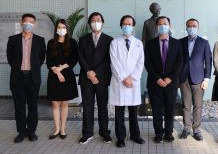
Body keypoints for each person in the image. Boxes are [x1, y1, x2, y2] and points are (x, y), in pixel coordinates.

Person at [6, 13, 46, 143]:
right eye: (26, 21)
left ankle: (32, 131)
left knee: (33, 106)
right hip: (17, 78)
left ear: (34, 24)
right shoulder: (13, 39)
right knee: (19, 106)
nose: (28, 23)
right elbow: (10, 59)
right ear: (21, 22)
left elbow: (40, 59)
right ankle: (21, 132)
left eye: (31, 22)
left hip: (33, 78)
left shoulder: (40, 40)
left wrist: (31, 69)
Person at [145, 16, 183, 143]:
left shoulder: (177, 43)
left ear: (170, 25)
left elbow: (180, 62)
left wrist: (170, 78)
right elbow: (147, 63)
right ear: (156, 26)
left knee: (169, 109)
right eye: (160, 24)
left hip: (171, 83)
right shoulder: (150, 44)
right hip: (154, 82)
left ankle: (168, 133)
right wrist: (157, 78)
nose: (162, 26)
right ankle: (158, 133)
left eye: (165, 23)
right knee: (156, 110)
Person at [109, 15, 145, 148]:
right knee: (119, 113)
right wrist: (124, 78)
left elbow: (140, 63)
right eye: (125, 24)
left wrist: (133, 78)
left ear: (133, 26)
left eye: (129, 24)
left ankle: (135, 135)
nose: (127, 26)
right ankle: (120, 138)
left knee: (133, 112)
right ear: (121, 26)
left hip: (133, 83)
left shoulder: (138, 43)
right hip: (120, 82)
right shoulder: (115, 42)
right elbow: (114, 62)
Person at [78, 12, 113, 144]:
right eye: (93, 20)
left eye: (98, 20)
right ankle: (87, 133)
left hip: (102, 78)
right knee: (87, 105)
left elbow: (108, 60)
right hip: (86, 77)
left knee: (103, 105)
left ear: (102, 23)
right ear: (89, 23)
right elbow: (80, 57)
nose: (96, 22)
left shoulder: (109, 40)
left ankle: (104, 132)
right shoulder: (83, 39)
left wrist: (95, 73)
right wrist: (89, 72)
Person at [179, 18, 212, 141]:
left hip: (199, 79)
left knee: (198, 106)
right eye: (189, 26)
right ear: (186, 27)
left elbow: (208, 62)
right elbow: (177, 61)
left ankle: (196, 130)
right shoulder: (180, 42)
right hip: (184, 78)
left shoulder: (204, 42)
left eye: (194, 26)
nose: (191, 28)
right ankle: (186, 128)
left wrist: (207, 79)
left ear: (198, 27)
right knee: (186, 105)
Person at [46, 19, 78, 140]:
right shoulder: (51, 43)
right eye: (59, 27)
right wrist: (57, 71)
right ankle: (56, 129)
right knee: (55, 104)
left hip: (67, 75)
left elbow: (74, 60)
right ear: (56, 29)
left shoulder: (72, 42)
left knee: (64, 103)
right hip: (54, 76)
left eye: (63, 27)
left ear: (67, 29)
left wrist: (61, 69)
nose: (61, 29)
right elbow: (49, 60)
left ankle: (63, 129)